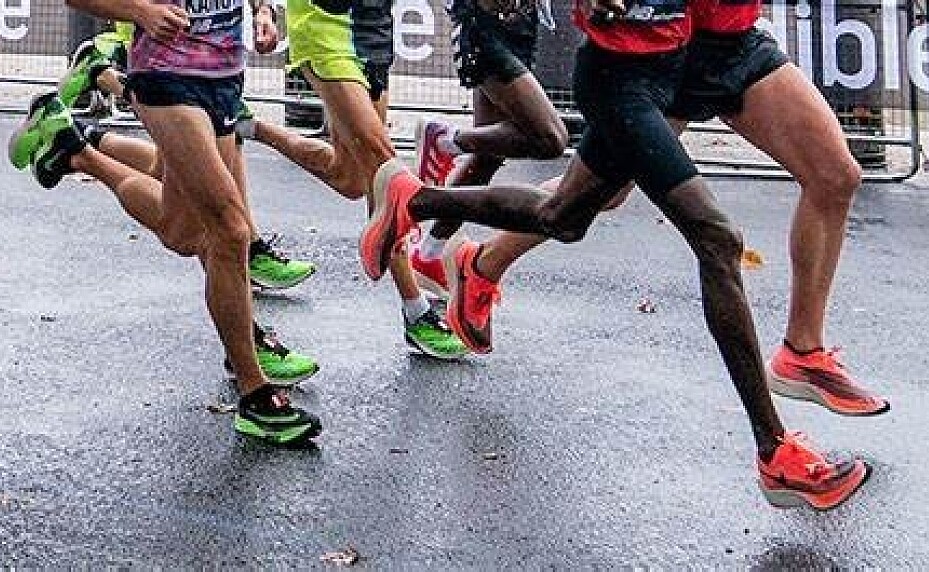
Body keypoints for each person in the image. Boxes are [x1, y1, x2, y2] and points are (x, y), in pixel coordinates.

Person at [357, 0, 871, 509]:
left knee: (565, 214)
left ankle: (424, 209)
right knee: (717, 239)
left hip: (697, 52)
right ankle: (774, 451)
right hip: (628, 77)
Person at [10, 0, 321, 444]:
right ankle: (255, 394)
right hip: (167, 80)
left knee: (183, 232)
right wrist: (140, 11)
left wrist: (264, 11)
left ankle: (75, 150)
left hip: (226, 81)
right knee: (230, 231)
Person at [662, 0, 888, 416]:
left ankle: (802, 353)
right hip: (665, 47)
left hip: (735, 41)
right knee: (591, 197)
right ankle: (514, 258)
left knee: (834, 175)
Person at [232, 0, 469, 360]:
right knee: (385, 173)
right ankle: (415, 311)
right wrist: (264, 10)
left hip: (373, 28)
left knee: (351, 179)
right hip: (324, 24)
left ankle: (252, 127)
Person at [56, 21, 319, 292]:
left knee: (169, 170)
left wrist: (262, 9)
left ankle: (83, 131)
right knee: (193, 222)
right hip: (174, 54)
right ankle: (248, 251)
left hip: (211, 58)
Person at [407, 0, 569, 297]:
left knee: (488, 157)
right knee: (550, 139)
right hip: (486, 23)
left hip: (520, 23)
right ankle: (445, 140)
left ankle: (429, 254)